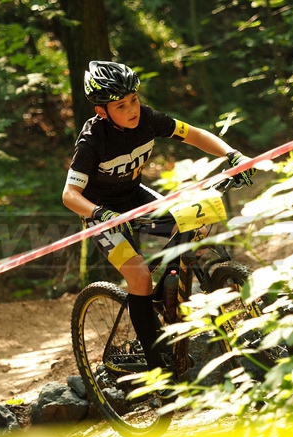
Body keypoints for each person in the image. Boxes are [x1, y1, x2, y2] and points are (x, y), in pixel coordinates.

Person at [62, 60, 256, 371]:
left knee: (196, 224)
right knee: (139, 275)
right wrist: (102, 213)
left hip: (134, 196)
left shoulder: (148, 119)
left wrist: (232, 154)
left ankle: (165, 296)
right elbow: (69, 195)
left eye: (134, 99)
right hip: (99, 211)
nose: (132, 109)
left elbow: (193, 135)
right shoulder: (92, 141)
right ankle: (156, 367)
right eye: (121, 105)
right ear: (102, 111)